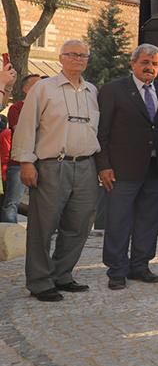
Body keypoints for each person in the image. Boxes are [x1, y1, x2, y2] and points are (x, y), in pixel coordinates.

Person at [11, 40, 100, 302]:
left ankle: (62, 274)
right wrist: (26, 162)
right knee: (43, 225)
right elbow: (27, 126)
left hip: (85, 165)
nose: (78, 59)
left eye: (83, 55)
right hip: (52, 165)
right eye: (72, 54)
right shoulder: (43, 88)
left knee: (79, 224)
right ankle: (39, 281)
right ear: (61, 57)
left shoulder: (91, 91)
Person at [96, 44, 158, 290]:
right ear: (133, 63)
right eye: (145, 62)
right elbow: (102, 132)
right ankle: (116, 270)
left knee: (149, 219)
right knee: (119, 220)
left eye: (154, 64)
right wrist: (103, 166)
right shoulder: (113, 90)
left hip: (156, 168)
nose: (149, 67)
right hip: (122, 169)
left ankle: (140, 265)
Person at [1, 73, 40, 223]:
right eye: (36, 85)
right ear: (25, 89)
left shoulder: (48, 107)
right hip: (19, 163)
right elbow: (21, 130)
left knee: (41, 203)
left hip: (42, 161)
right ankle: (8, 236)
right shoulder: (17, 108)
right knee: (12, 202)